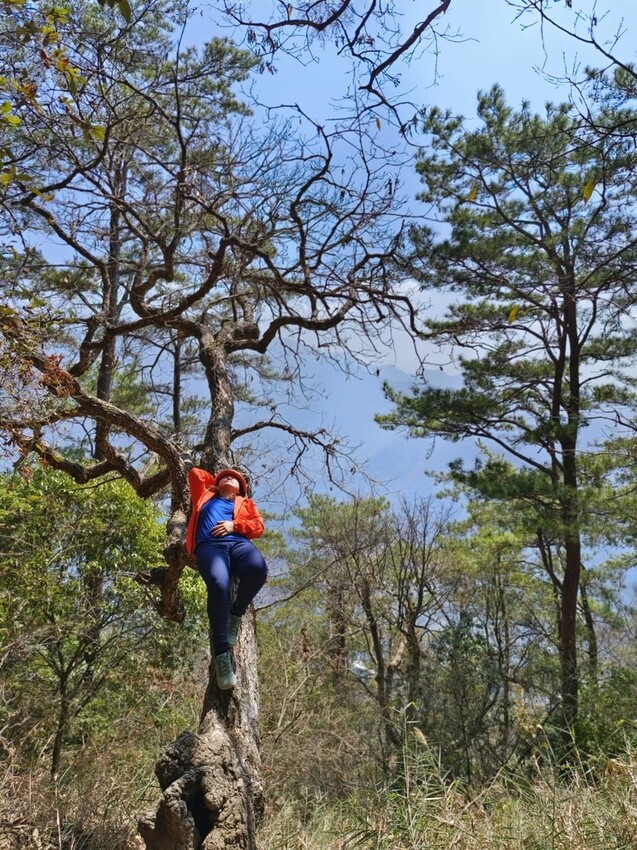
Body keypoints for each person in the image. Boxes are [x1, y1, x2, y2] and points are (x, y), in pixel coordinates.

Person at [185, 464, 268, 690]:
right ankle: (222, 653)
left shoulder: (246, 503)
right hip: (210, 545)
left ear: (241, 489)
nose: (230, 478)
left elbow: (258, 527)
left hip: (238, 542)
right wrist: (217, 482)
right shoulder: (205, 495)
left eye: (235, 478)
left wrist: (234, 525)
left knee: (258, 570)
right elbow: (194, 473)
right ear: (216, 483)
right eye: (225, 477)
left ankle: (236, 613)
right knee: (218, 584)